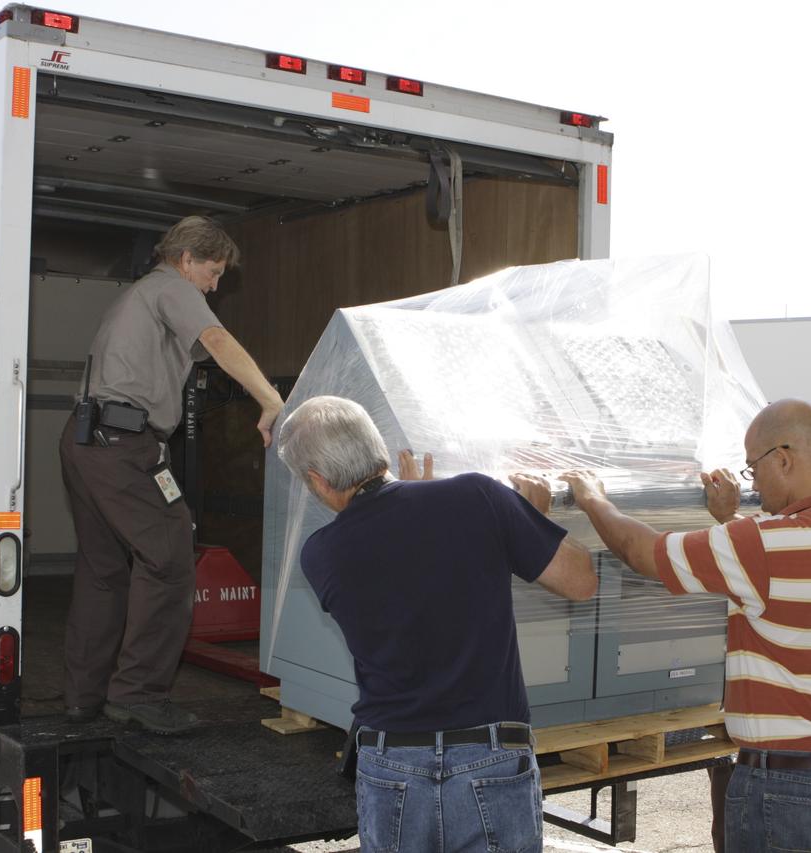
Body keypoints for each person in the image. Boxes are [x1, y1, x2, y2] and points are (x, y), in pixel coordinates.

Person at [559, 399, 811, 852]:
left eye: (754, 469)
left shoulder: (763, 546)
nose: (754, 485)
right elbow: (789, 574)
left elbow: (643, 552)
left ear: (783, 459)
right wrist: (729, 520)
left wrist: (592, 498)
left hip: (794, 788)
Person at [276, 395, 597, 853]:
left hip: (393, 763)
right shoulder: (477, 497)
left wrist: (413, 501)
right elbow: (582, 581)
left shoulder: (321, 554)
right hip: (490, 756)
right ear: (377, 446)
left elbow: (402, 571)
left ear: (318, 481)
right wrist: (533, 521)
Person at [59, 215, 283, 734]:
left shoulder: (142, 295)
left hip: (87, 440)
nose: (215, 284)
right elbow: (218, 341)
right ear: (186, 260)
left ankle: (82, 699)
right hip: (123, 446)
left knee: (103, 573)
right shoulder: (172, 288)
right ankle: (139, 694)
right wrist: (271, 398)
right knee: (170, 556)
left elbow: (201, 352)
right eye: (213, 271)